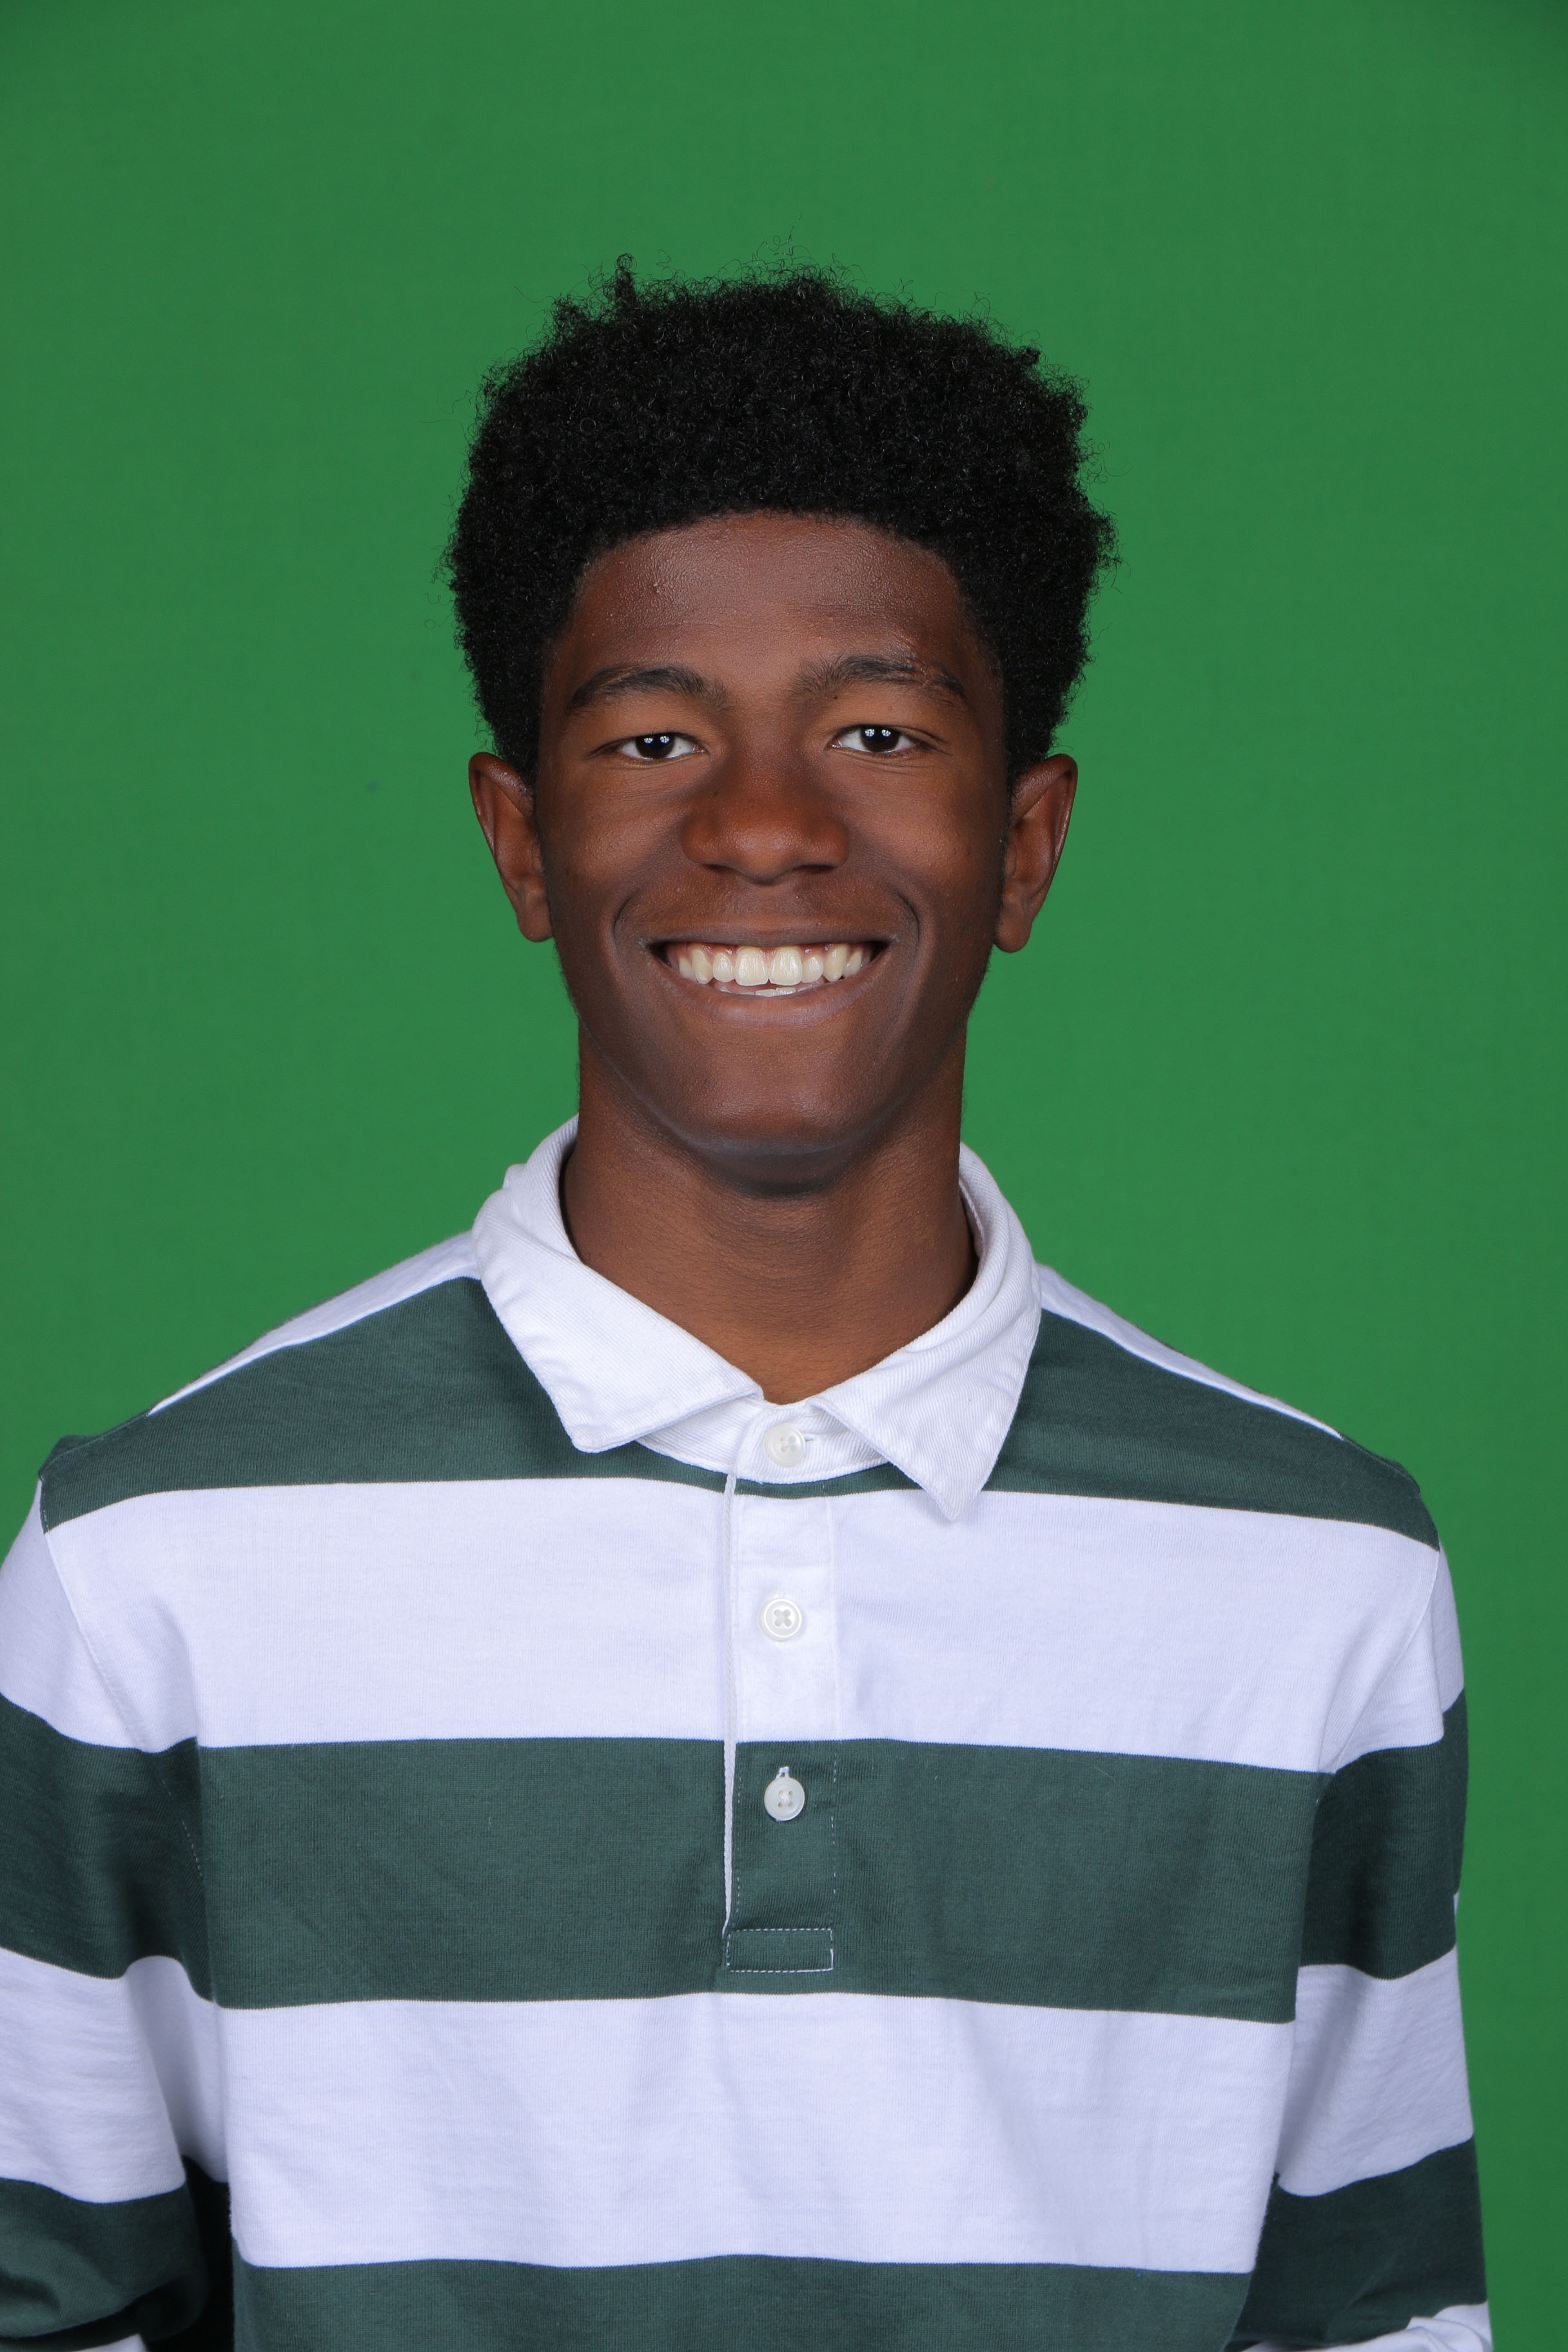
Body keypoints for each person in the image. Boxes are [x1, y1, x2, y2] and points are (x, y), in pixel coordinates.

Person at [0, 263, 1487, 2352]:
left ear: (1027, 843)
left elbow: (1372, 2317)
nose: (767, 824)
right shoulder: (153, 1563)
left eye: (879, 732)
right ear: (522, 840)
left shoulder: (1320, 1577)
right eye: (652, 736)